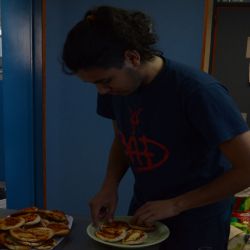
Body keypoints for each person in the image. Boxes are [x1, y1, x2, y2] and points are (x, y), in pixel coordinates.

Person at [62, 5, 250, 250]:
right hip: (146, 210)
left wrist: (176, 204)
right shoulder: (115, 89)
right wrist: (109, 185)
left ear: (132, 57)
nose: (101, 91)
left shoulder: (198, 92)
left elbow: (247, 168)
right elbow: (123, 138)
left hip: (199, 221)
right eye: (94, 84)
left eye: (105, 81)